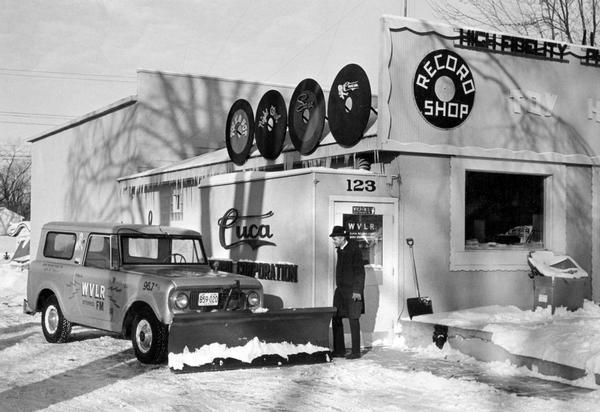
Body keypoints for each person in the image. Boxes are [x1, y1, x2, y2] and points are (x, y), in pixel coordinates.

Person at [330, 225, 365, 359]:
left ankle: (356, 352)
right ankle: (339, 350)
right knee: (336, 316)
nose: (334, 240)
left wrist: (357, 291)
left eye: (335, 238)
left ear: (343, 237)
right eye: (333, 238)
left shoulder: (354, 250)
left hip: (352, 290)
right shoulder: (340, 249)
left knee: (353, 318)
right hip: (341, 290)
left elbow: (360, 272)